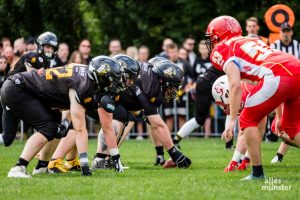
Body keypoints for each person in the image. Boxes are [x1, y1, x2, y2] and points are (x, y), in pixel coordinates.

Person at [205, 15, 300, 180]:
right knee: (291, 128)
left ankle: (257, 173)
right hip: (294, 66)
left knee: (247, 120)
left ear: (219, 35)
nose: (210, 42)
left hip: (277, 73)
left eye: (211, 37)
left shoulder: (223, 48)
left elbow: (234, 84)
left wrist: (232, 120)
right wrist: (278, 116)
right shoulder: (250, 41)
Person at [2, 56, 126, 178]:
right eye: (111, 80)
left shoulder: (84, 76)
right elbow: (80, 129)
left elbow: (66, 100)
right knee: (48, 128)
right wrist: (85, 165)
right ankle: (18, 167)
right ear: (100, 77)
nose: (112, 85)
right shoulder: (83, 86)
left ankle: (41, 167)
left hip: (23, 89)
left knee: (57, 129)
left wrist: (65, 123)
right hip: (18, 88)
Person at [92, 55, 192, 169]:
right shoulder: (152, 87)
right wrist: (175, 153)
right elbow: (157, 125)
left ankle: (107, 158)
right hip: (100, 95)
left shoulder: (149, 78)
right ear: (163, 80)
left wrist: (160, 154)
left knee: (127, 117)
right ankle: (100, 159)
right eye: (173, 86)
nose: (173, 91)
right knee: (120, 115)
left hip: (108, 96)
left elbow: (153, 123)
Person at [0, 32, 59, 147]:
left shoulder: (43, 60)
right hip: (14, 92)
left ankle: (40, 147)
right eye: (47, 47)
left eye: (52, 48)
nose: (49, 50)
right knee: (46, 123)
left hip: (12, 93)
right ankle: (40, 153)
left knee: (7, 138)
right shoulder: (33, 56)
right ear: (40, 45)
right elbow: (33, 80)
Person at [269, 22, 300, 163]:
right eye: (283, 31)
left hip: (295, 88)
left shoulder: (297, 46)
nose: (286, 33)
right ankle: (279, 155)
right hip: (282, 87)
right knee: (280, 126)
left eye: (288, 31)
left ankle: (279, 156)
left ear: (291, 32)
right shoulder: (274, 47)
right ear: (280, 32)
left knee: (286, 124)